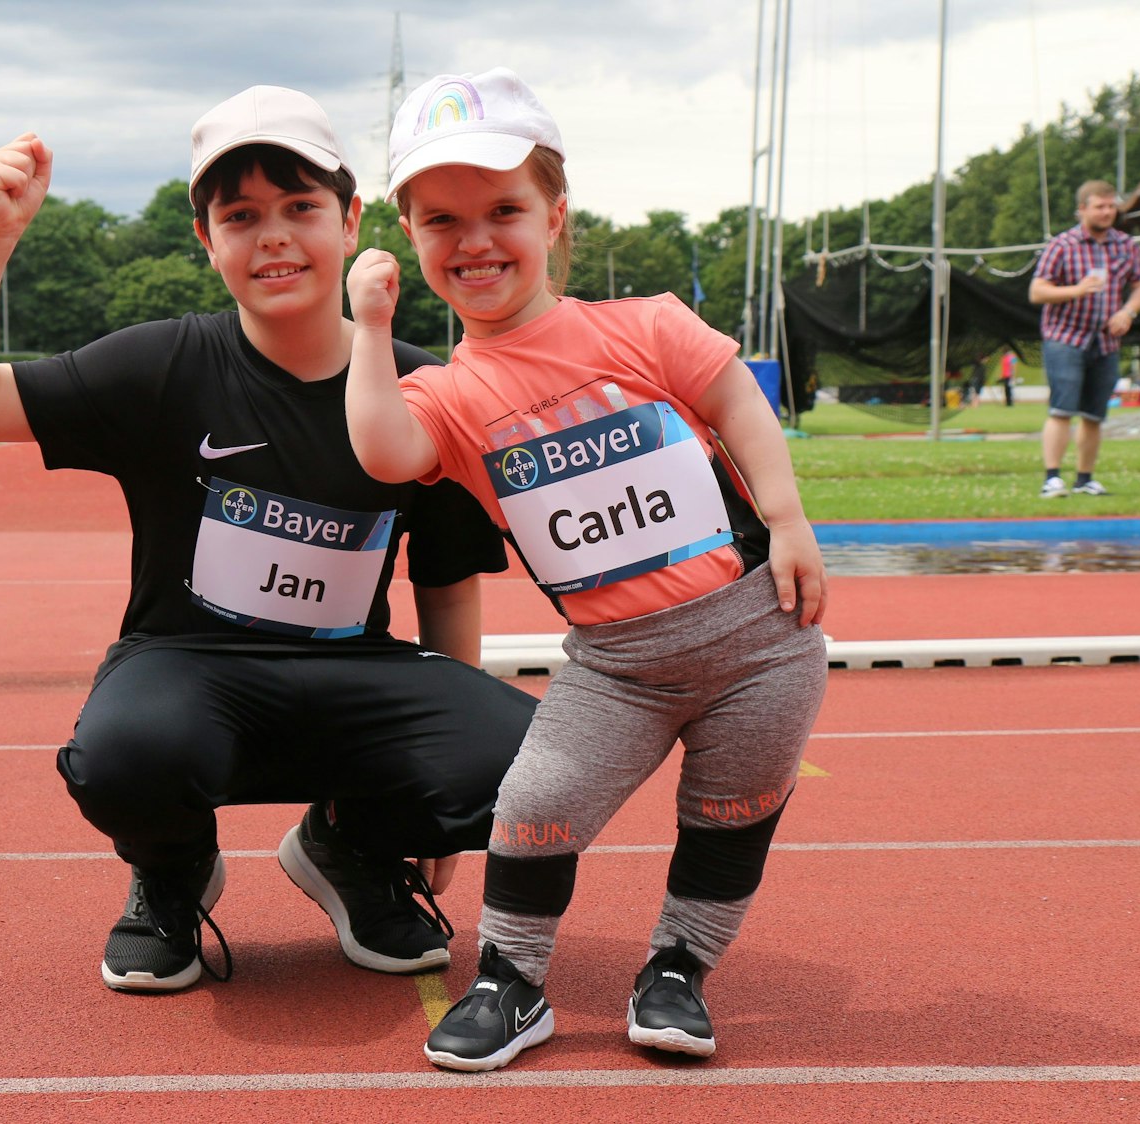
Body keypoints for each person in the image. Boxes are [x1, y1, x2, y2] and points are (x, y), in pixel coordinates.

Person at [0, 87, 536, 995]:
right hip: (186, 665)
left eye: (300, 208)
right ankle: (171, 870)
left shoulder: (422, 389)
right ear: (206, 241)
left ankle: (352, 845)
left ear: (352, 217)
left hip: (355, 677)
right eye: (241, 216)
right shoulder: (163, 365)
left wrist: (436, 813)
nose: (275, 236)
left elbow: (446, 586)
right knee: (127, 756)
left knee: (534, 760)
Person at [344, 68, 828, 1072]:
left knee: (731, 813)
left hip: (759, 640)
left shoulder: (641, 325)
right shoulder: (447, 393)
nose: (473, 240)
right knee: (533, 807)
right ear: (409, 235)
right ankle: (508, 983)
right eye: (440, 221)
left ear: (554, 217)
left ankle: (677, 974)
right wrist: (370, 328)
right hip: (612, 664)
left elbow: (736, 400)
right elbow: (384, 453)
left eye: (502, 211)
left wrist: (784, 520)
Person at [1029, 181, 1140, 497]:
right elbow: (1037, 291)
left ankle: (1085, 479)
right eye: (1100, 206)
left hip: (1106, 342)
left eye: (1111, 206)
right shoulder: (1062, 245)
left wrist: (1128, 312)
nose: (1107, 212)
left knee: (1095, 415)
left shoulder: (1126, 244)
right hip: (1065, 338)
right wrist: (1076, 290)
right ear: (1082, 209)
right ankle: (1052, 479)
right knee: (1061, 409)